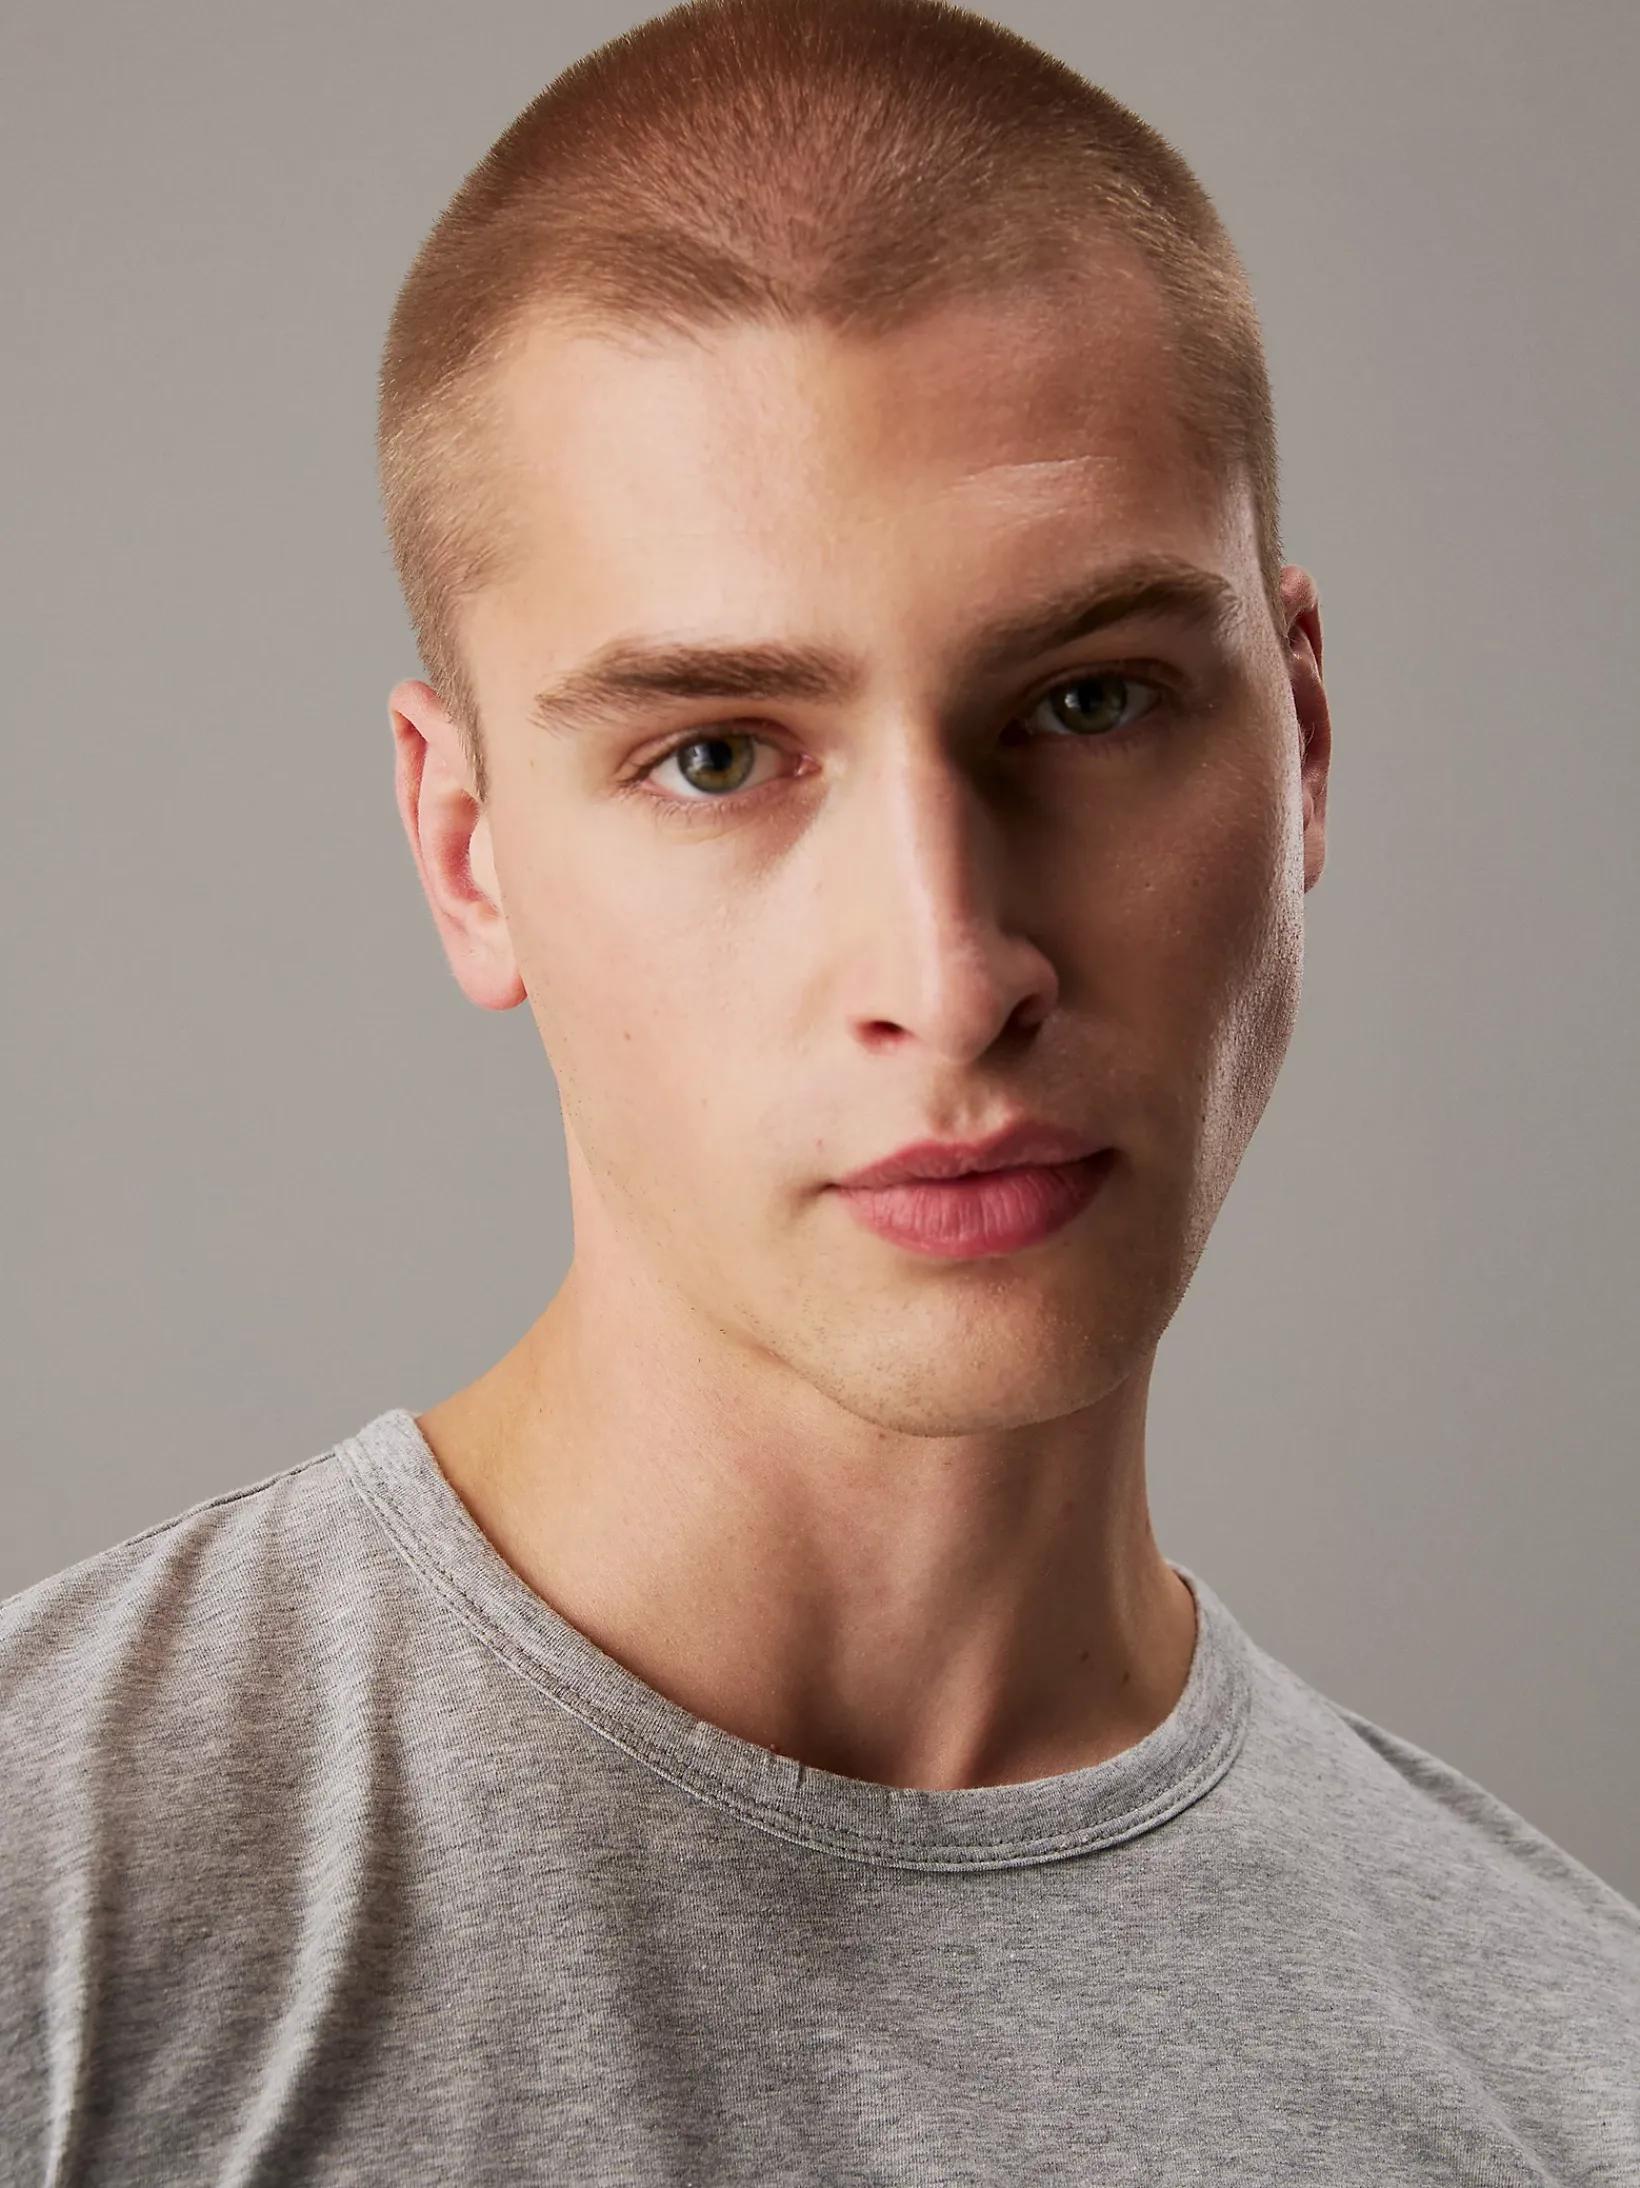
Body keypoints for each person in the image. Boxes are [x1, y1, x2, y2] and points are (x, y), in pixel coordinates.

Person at [3, 0, 1635, 2177]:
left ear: (1304, 740)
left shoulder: (1571, 2074)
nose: (951, 977)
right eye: (715, 756)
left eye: (1089, 701)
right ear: (468, 853)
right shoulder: (58, 1910)